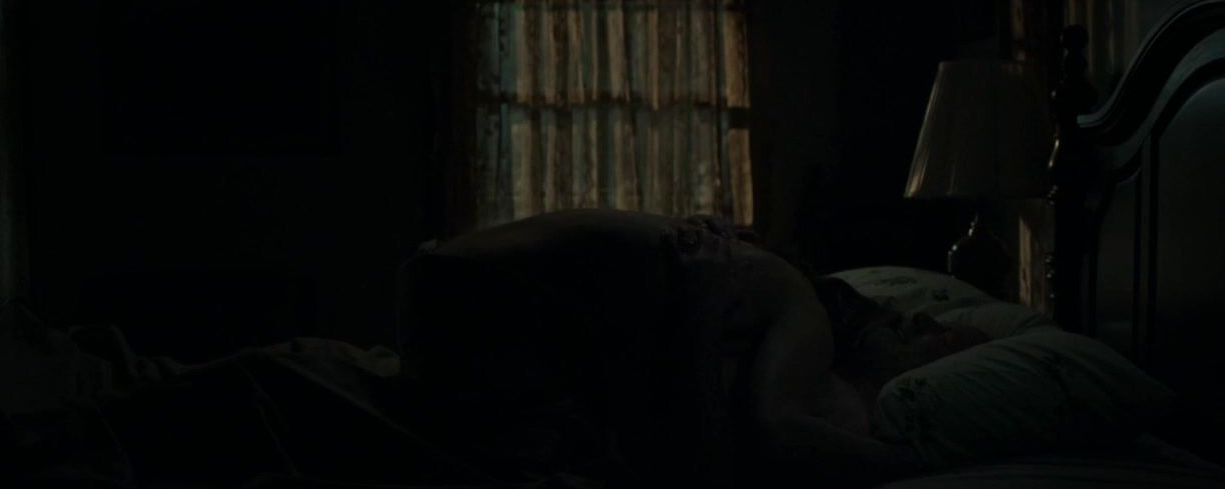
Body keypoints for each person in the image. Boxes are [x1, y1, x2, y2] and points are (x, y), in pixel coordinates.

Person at [396, 210, 987, 488]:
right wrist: (917, 467)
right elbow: (777, 429)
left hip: (451, 286)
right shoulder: (800, 305)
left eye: (935, 338)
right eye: (914, 322)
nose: (918, 322)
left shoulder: (758, 311)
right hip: (481, 299)